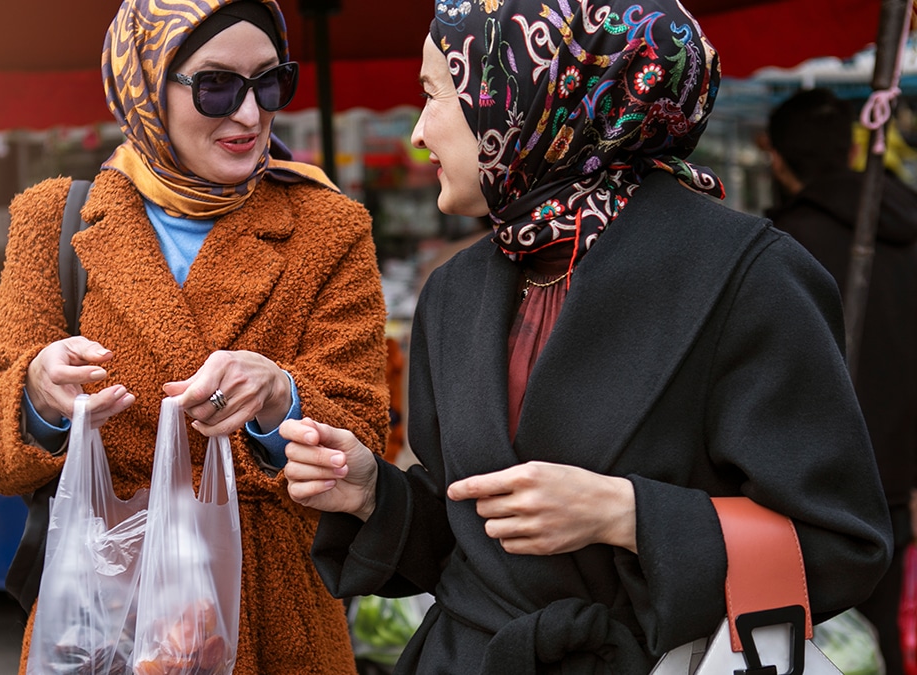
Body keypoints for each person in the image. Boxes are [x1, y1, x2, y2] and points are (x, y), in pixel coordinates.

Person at [279, 1, 893, 672]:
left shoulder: (749, 275)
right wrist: (373, 491)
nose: (420, 133)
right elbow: (475, 540)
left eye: (434, 95)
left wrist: (627, 513)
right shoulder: (455, 290)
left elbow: (841, 543)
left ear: (525, 98)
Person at [0, 1, 390, 673]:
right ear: (146, 84)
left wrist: (283, 402)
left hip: (277, 625)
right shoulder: (57, 221)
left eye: (270, 82)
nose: (249, 115)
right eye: (217, 86)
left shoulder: (328, 228)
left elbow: (364, 443)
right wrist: (39, 396)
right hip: (107, 622)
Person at [765, 87, 917, 675]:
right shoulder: (907, 230)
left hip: (809, 492)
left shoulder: (776, 251)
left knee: (824, 650)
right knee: (876, 639)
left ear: (776, 159)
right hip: (896, 482)